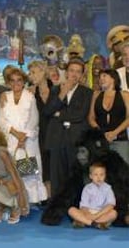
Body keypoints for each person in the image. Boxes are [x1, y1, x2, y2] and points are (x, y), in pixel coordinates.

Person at [44, 58, 93, 196]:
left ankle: (76, 209)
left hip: (76, 140)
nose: (74, 74)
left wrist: (58, 114)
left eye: (78, 72)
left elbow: (80, 115)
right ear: (66, 73)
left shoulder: (87, 92)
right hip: (56, 139)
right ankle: (56, 210)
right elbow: (48, 111)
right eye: (71, 71)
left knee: (75, 176)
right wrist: (62, 93)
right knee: (56, 177)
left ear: (82, 75)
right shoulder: (55, 90)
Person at [0, 67, 47, 204]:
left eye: (19, 80)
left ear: (24, 81)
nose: (16, 83)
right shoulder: (4, 97)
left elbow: (34, 121)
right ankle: (15, 202)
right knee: (12, 173)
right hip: (11, 141)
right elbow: (1, 121)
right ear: (8, 82)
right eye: (12, 81)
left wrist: (23, 137)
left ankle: (30, 202)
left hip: (28, 142)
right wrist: (16, 134)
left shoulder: (30, 96)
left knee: (29, 175)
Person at [88, 69, 129, 164]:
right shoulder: (96, 94)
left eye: (104, 76)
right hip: (101, 140)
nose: (101, 79)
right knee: (100, 171)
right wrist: (101, 132)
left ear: (113, 78)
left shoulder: (125, 95)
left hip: (120, 139)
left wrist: (115, 132)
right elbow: (91, 117)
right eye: (100, 77)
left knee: (122, 171)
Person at [28, 61, 53, 197]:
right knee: (36, 167)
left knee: (53, 167)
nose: (31, 76)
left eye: (33, 72)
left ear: (43, 72)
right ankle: (36, 197)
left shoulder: (56, 89)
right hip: (36, 136)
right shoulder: (30, 93)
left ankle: (52, 197)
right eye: (30, 73)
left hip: (54, 134)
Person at [68, 162, 117, 229]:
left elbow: (110, 205)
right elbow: (83, 206)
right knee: (71, 210)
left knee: (114, 213)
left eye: (101, 175)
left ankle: (87, 222)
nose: (98, 177)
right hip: (88, 212)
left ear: (105, 176)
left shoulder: (108, 188)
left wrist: (96, 215)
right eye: (96, 175)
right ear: (90, 176)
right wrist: (88, 214)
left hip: (101, 213)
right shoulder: (87, 188)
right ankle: (93, 223)